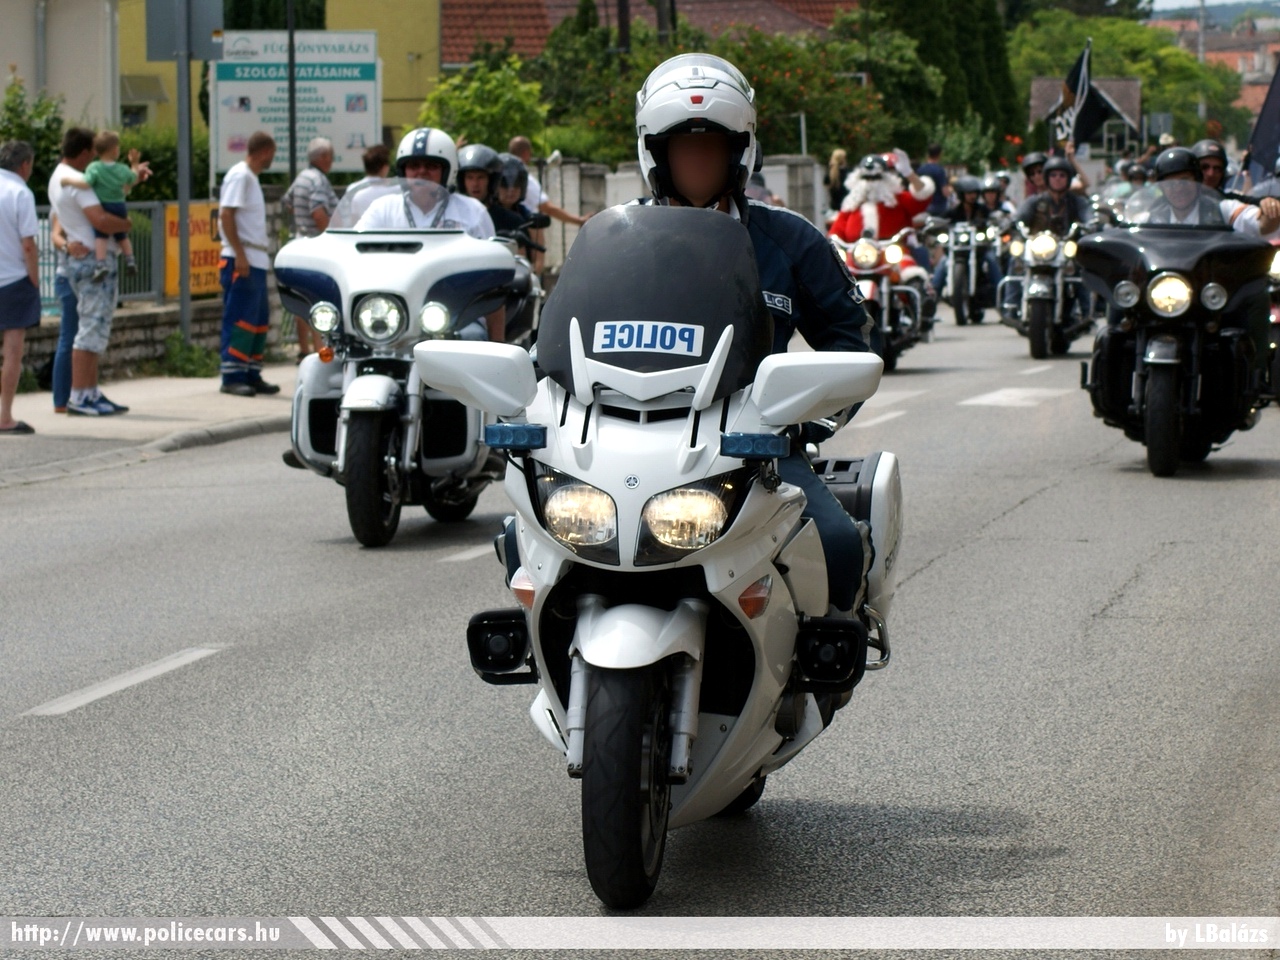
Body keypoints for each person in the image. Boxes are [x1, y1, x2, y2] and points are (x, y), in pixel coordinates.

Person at [634, 53, 875, 619]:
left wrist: (807, 420)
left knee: (838, 550)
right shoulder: (619, 240)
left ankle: (810, 684)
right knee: (529, 540)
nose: (697, 159)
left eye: (711, 146)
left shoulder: (789, 240)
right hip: (634, 441)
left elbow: (851, 339)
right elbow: (557, 347)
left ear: (738, 153)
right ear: (657, 154)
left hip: (756, 445)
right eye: (684, 147)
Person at [358, 128, 503, 341]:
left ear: (448, 170)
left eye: (431, 166)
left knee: (473, 339)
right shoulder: (382, 209)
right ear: (402, 170)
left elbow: (494, 280)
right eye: (413, 166)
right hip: (393, 315)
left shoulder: (473, 212)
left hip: (458, 316)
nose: (421, 172)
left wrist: (498, 350)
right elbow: (354, 252)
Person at [47, 127, 134, 416]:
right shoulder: (79, 181)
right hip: (93, 261)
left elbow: (59, 224)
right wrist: (125, 225)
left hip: (77, 259)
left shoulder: (56, 178)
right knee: (90, 330)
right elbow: (100, 219)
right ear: (85, 152)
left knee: (91, 329)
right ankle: (81, 396)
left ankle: (89, 392)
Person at [218, 131, 280, 397]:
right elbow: (226, 214)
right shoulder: (240, 175)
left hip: (254, 258)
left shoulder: (249, 177)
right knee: (241, 318)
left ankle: (251, 371)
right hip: (241, 258)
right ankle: (232, 374)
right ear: (264, 151)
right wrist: (239, 253)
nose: (272, 159)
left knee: (257, 320)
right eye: (272, 154)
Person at [59, 131, 150, 281]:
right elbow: (133, 178)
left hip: (104, 206)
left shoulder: (94, 167)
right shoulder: (122, 168)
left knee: (101, 236)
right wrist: (134, 163)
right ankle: (130, 259)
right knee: (122, 235)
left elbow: (85, 183)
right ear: (115, 150)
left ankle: (101, 264)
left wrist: (68, 181)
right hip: (119, 206)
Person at [282, 136, 339, 362]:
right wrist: (329, 237)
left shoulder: (302, 177)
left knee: (301, 299)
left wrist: (300, 220)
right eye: (330, 157)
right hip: (316, 245)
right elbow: (318, 211)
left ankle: (304, 349)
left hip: (299, 242)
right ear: (323, 157)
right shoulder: (318, 180)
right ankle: (318, 351)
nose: (332, 162)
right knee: (318, 300)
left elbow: (288, 202)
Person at [0, 140, 40, 435]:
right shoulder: (20, 193)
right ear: (24, 165)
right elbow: (28, 244)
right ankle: (5, 416)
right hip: (13, 279)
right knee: (12, 351)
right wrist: (35, 278)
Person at [933, 174, 1002, 297]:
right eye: (969, 193)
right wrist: (934, 224)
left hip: (980, 249)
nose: (972, 196)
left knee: (991, 259)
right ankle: (932, 296)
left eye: (974, 193)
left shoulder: (983, 210)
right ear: (961, 194)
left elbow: (993, 219)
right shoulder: (953, 212)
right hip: (958, 249)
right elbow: (940, 221)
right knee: (943, 262)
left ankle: (1002, 295)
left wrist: (992, 221)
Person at [507, 135, 589, 228]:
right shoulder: (524, 179)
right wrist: (579, 220)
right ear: (526, 153)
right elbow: (548, 208)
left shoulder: (504, 175)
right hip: (525, 232)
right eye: (530, 154)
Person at [917, 143, 950, 217]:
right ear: (940, 154)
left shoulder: (920, 170)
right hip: (938, 207)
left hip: (923, 206)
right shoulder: (939, 170)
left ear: (928, 154)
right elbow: (945, 192)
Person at [825, 147, 850, 212]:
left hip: (833, 208)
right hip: (845, 208)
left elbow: (827, 187)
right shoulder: (847, 173)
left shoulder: (830, 174)